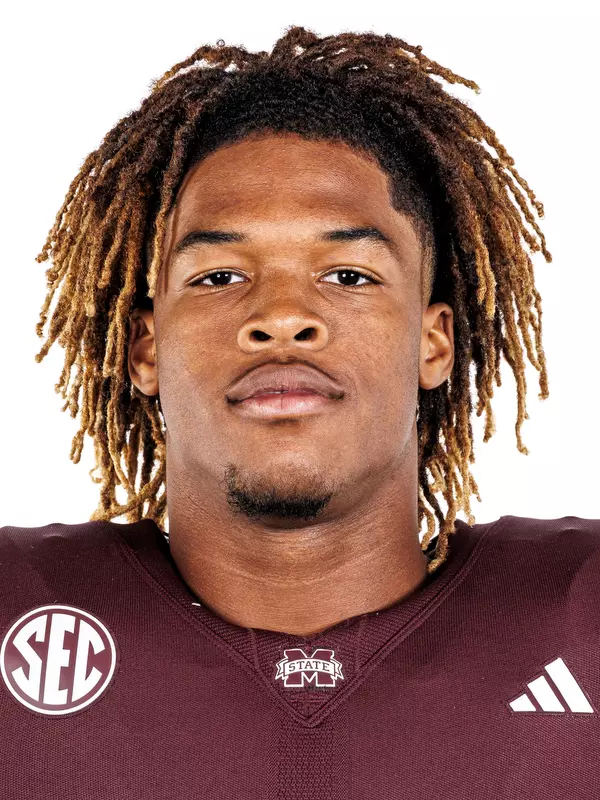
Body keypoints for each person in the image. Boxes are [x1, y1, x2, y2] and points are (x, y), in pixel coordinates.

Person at [1, 24, 598, 799]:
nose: (283, 317)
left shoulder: (581, 614)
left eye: (348, 274)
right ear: (144, 347)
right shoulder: (22, 610)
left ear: (434, 341)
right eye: (218, 277)